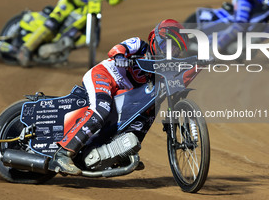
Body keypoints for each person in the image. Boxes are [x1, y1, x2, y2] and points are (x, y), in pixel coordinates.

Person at [49, 19, 190, 175]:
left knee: (150, 108)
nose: (168, 52)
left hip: (120, 91)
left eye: (175, 51)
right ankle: (63, 153)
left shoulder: (161, 70)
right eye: (166, 46)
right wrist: (120, 56)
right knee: (101, 108)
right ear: (154, 39)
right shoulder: (138, 44)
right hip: (104, 75)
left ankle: (122, 151)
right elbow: (118, 48)